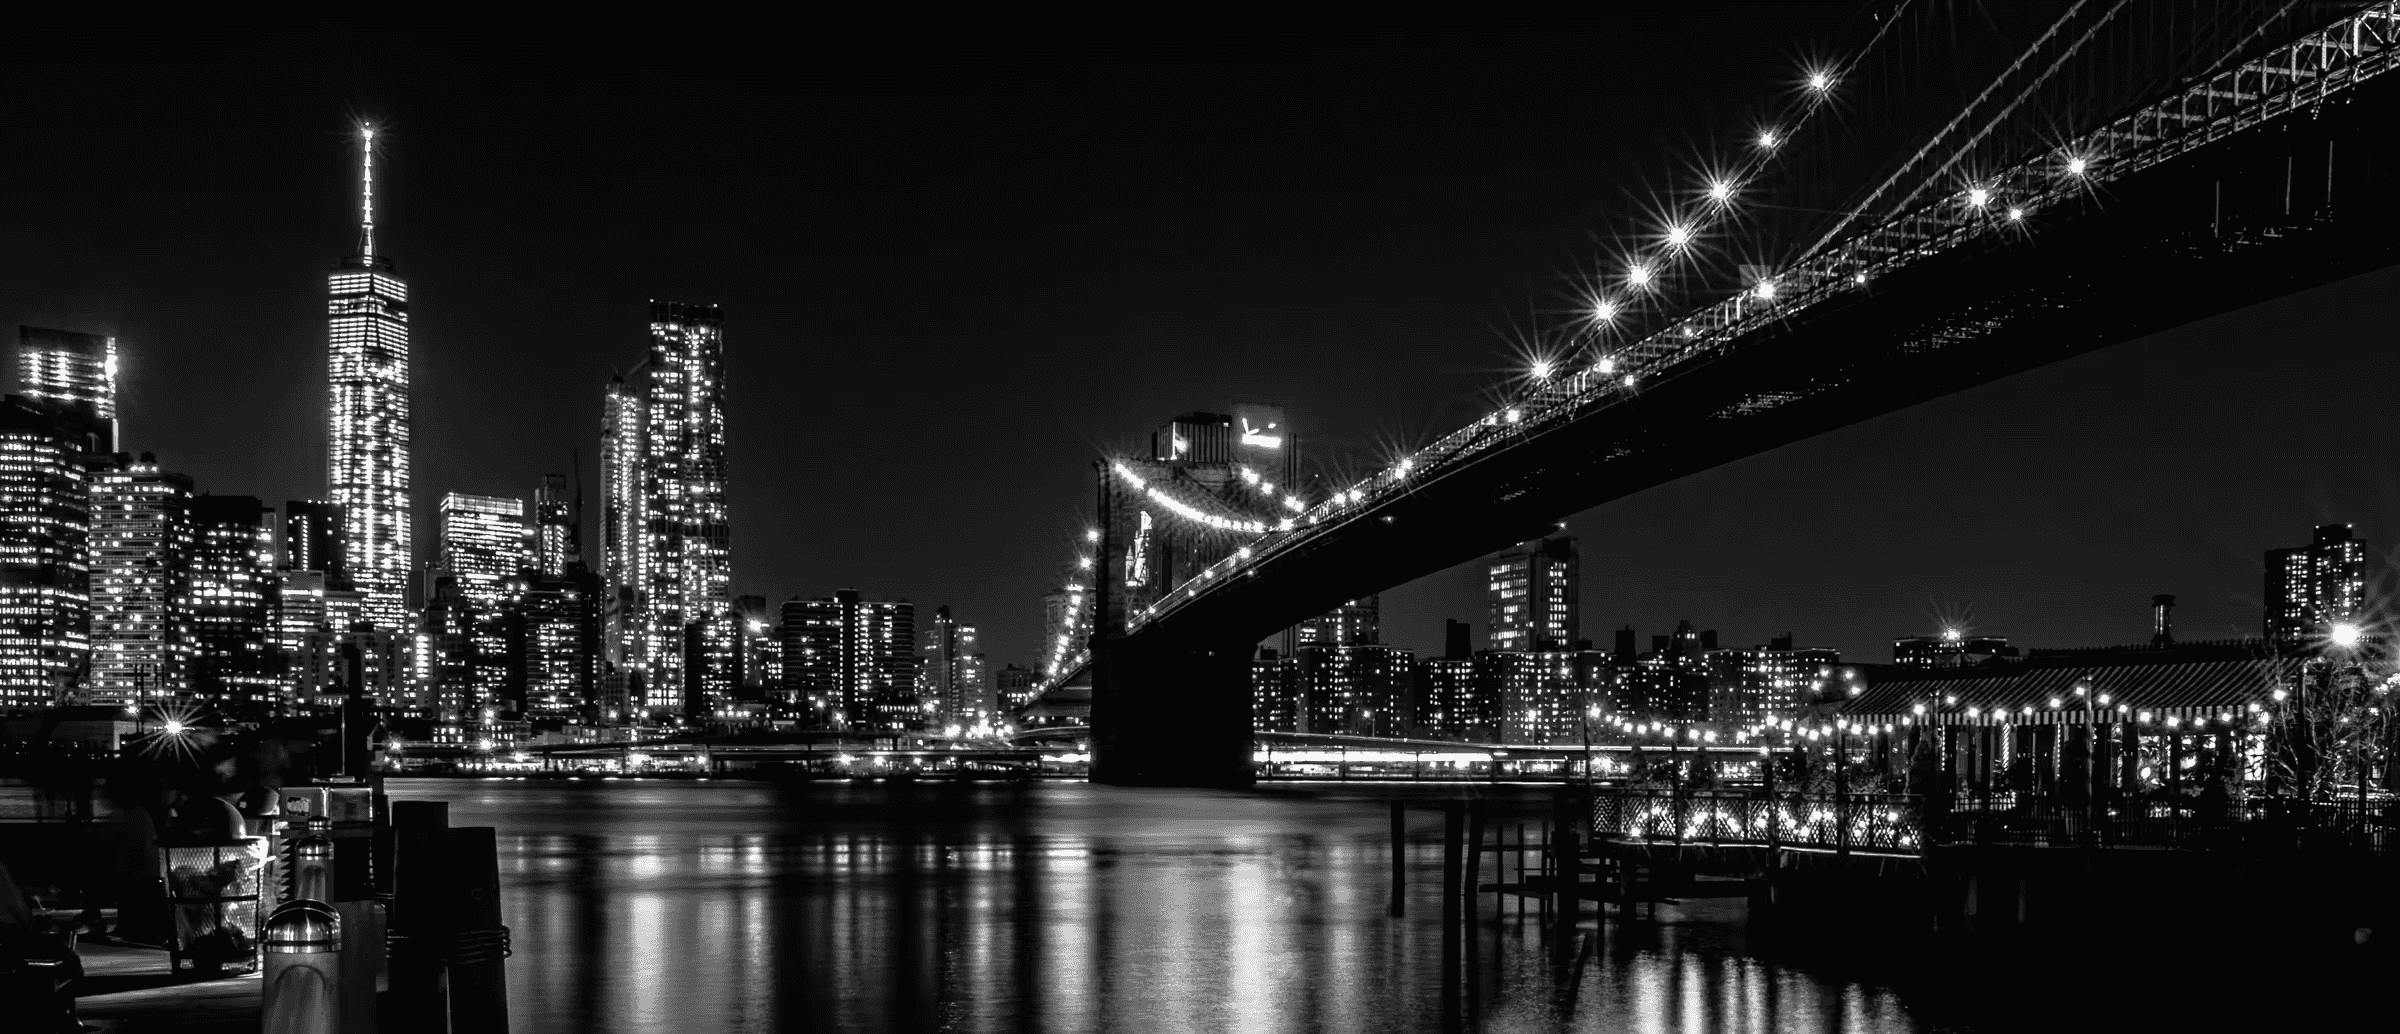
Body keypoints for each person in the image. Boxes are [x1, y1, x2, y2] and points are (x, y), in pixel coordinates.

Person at [0, 859, 85, 1033]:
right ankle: (65, 1013)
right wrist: (38, 925)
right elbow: (15, 910)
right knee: (69, 960)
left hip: (8, 940)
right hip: (10, 940)